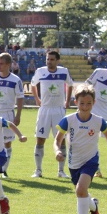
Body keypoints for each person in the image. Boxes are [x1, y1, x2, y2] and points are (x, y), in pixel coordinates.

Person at [55, 84, 107, 214]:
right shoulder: (67, 120)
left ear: (94, 103)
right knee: (82, 192)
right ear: (76, 102)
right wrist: (57, 151)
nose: (85, 106)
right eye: (82, 103)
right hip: (73, 163)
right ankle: (94, 206)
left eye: (89, 103)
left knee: (80, 190)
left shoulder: (98, 121)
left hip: (90, 161)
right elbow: (57, 140)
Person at [31, 49, 73, 178]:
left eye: (52, 59)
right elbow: (33, 85)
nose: (49, 62)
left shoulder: (63, 71)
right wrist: (37, 99)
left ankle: (61, 171)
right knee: (40, 139)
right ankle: (38, 170)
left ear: (57, 60)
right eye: (48, 59)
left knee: (61, 140)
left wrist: (67, 100)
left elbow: (70, 85)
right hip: (45, 109)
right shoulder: (40, 71)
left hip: (59, 110)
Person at [0, 52, 26, 177]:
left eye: (2, 63)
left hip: (8, 114)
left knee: (7, 143)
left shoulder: (15, 80)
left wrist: (18, 115)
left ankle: (4, 169)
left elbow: (20, 98)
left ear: (9, 64)